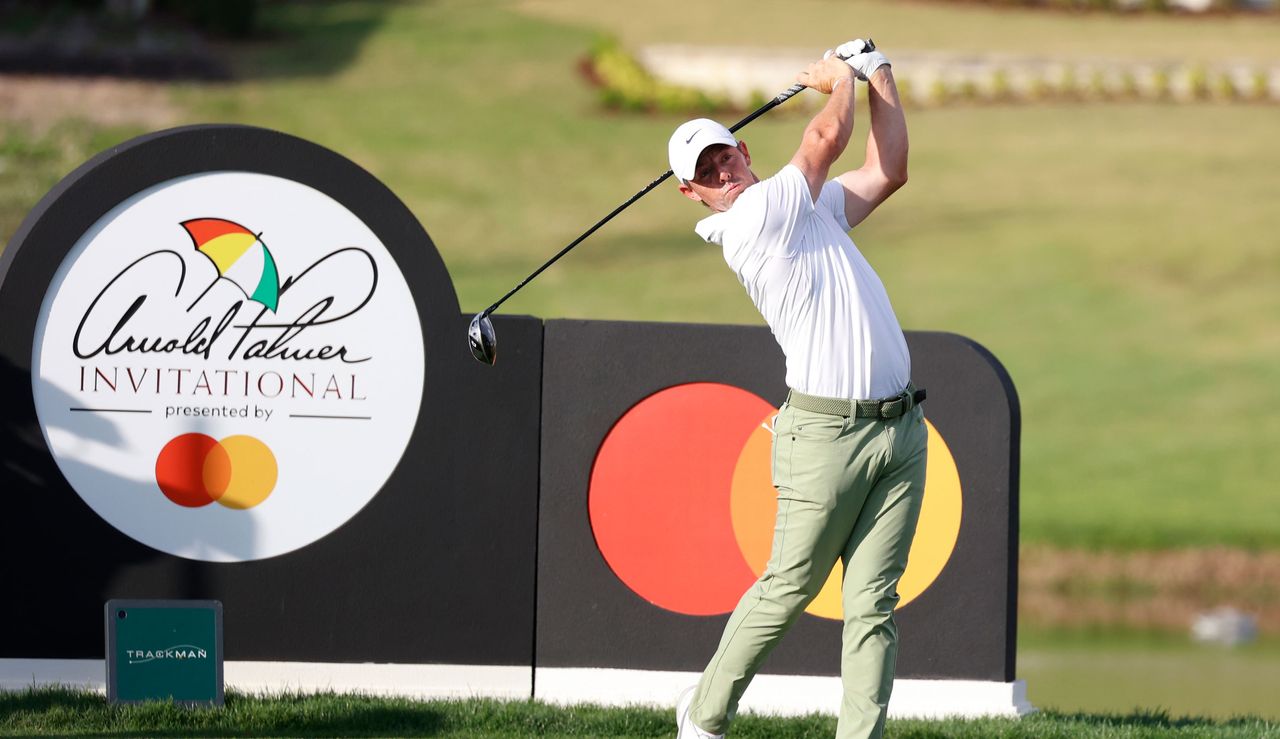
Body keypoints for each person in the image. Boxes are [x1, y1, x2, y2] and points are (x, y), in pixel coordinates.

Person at [669, 40, 928, 739]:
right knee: (788, 587)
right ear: (691, 193)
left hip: (899, 430)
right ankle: (704, 714)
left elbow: (887, 170)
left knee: (873, 602)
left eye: (724, 155)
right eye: (704, 172)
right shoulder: (750, 222)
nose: (721, 171)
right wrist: (837, 78)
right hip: (825, 436)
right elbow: (825, 136)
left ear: (743, 150)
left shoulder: (806, 209)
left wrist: (879, 76)